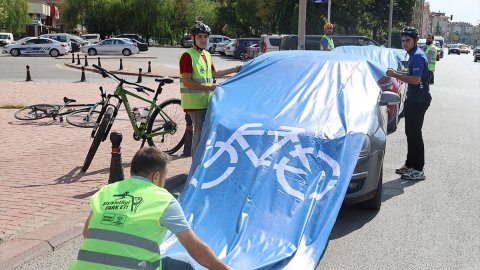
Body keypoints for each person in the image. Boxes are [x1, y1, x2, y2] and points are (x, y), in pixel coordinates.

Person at [69, 147, 231, 270]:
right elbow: (194, 247)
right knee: (184, 262)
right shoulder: (163, 199)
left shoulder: (106, 191)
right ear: (156, 176)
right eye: (164, 177)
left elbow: (87, 232)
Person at [179, 21, 240, 157]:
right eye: (200, 36)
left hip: (206, 100)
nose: (203, 39)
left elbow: (215, 73)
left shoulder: (206, 55)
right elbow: (187, 82)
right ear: (193, 38)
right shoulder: (187, 56)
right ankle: (195, 166)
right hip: (194, 103)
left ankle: (201, 161)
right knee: (200, 132)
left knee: (206, 133)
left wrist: (236, 69)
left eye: (205, 37)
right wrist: (211, 87)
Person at [386, 27, 432, 181]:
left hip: (419, 100)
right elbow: (412, 74)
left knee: (415, 134)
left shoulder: (418, 56)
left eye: (408, 40)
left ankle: (418, 170)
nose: (405, 43)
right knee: (410, 134)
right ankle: (410, 164)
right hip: (414, 98)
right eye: (403, 40)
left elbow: (416, 80)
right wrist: (398, 72)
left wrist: (396, 74)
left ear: (415, 41)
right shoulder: (413, 54)